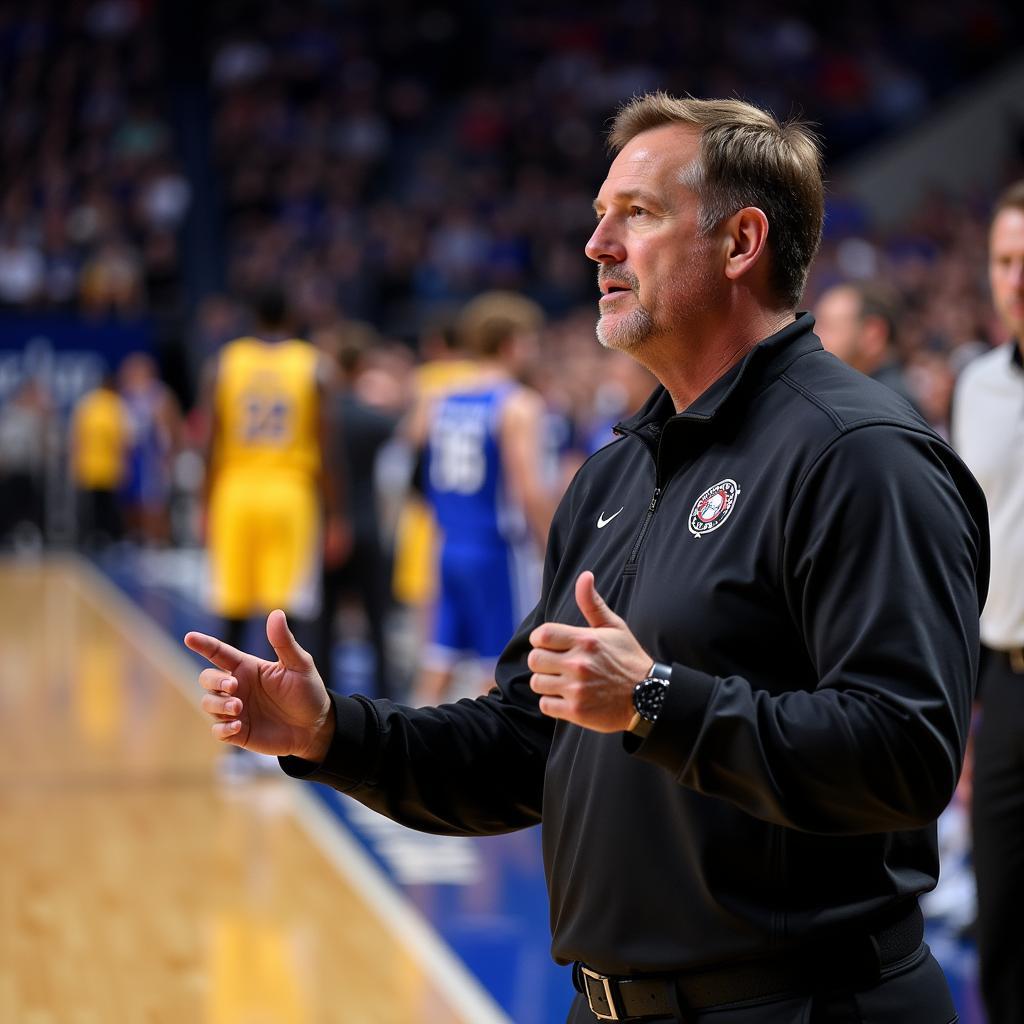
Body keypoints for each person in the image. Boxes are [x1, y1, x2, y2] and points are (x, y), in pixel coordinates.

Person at [186, 93, 988, 1023]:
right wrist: (335, 735)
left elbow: (907, 754)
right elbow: (529, 743)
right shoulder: (614, 472)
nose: (595, 245)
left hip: (803, 1003)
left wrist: (655, 700)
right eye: (599, 215)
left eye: (636, 214)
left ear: (740, 243)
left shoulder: (863, 455)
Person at [950, 179, 1024, 1024]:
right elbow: (976, 550)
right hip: (1003, 683)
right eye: (1004, 261)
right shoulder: (976, 386)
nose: (1016, 278)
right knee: (1003, 914)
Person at [406, 290, 557, 703]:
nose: (536, 350)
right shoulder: (518, 404)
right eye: (532, 340)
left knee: (438, 663)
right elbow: (528, 487)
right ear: (511, 343)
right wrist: (554, 548)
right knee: (499, 668)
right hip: (495, 551)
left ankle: (401, 760)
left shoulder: (441, 398)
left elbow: (411, 449)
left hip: (448, 545)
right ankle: (485, 765)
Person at [199, 286, 349, 655]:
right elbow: (328, 447)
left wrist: (204, 503)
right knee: (287, 616)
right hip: (290, 493)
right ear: (292, 317)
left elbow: (208, 441)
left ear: (252, 318)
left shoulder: (224, 362)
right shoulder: (314, 365)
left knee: (231, 608)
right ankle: (286, 704)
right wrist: (337, 514)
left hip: (234, 491)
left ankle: (229, 698)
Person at [813, 280, 923, 414]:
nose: (814, 335)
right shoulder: (871, 396)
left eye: (828, 327)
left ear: (873, 334)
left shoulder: (885, 407)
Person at [70, 369, 133, 549]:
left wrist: (75, 463)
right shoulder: (115, 405)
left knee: (93, 507)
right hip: (108, 466)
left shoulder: (87, 404)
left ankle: (90, 538)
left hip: (90, 466)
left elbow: (77, 438)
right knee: (107, 507)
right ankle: (108, 538)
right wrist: (126, 464)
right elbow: (124, 440)